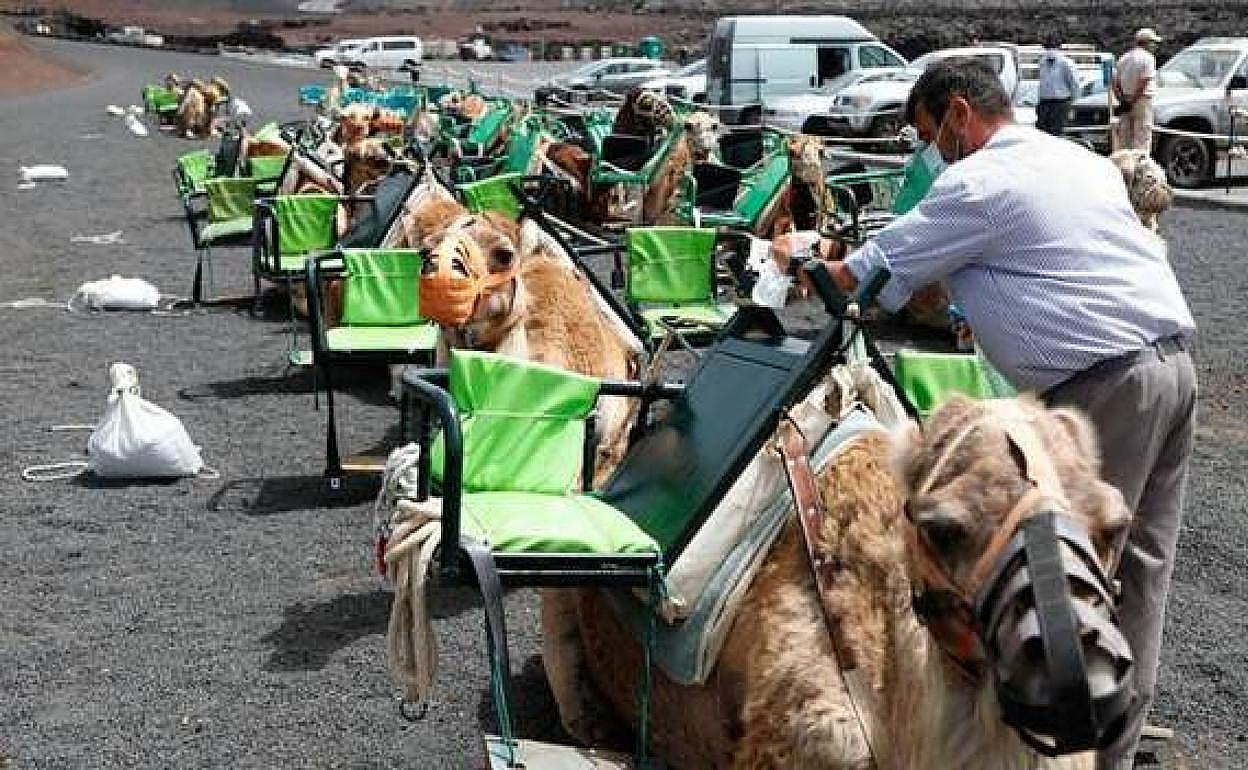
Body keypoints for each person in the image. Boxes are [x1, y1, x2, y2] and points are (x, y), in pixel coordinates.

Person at [822, 58, 1197, 770]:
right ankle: (1109, 751)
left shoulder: (978, 181)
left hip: (1105, 387)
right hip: (1171, 371)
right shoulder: (1074, 160)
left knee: (1054, 580)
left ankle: (1050, 754)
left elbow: (868, 274)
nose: (929, 154)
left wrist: (799, 257)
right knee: (1136, 574)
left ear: (959, 115)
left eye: (928, 136)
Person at [1114, 28, 1162, 150]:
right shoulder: (1148, 58)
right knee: (1142, 136)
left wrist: (1122, 101)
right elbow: (1144, 81)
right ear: (1147, 43)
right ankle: (1140, 160)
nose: (1155, 46)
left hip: (1125, 99)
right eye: (1153, 43)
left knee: (1125, 136)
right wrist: (1132, 101)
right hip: (1141, 100)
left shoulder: (1124, 58)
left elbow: (1116, 83)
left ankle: (1124, 159)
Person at [1036, 35, 1081, 135]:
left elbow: (1074, 83)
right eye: (1048, 47)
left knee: (1056, 132)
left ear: (1058, 47)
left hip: (1060, 103)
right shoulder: (1042, 62)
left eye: (1052, 47)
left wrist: (1073, 102)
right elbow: (1042, 82)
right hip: (1044, 102)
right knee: (1041, 132)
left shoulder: (1066, 63)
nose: (1050, 50)